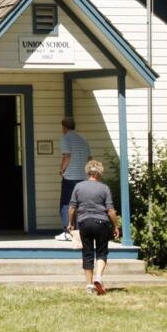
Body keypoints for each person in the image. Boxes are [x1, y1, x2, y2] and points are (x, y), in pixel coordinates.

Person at [67, 159, 121, 295]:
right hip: (101, 223)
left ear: (88, 172)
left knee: (87, 253)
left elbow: (72, 207)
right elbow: (110, 210)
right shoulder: (104, 188)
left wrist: (70, 223)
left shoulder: (78, 186)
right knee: (102, 252)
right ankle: (98, 277)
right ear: (100, 173)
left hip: (84, 223)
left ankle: (89, 285)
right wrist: (116, 226)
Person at [55, 117, 90, 241]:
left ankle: (68, 232)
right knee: (80, 205)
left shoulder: (65, 138)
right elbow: (89, 158)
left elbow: (67, 156)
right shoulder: (83, 139)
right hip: (83, 177)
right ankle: (80, 232)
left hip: (70, 177)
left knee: (65, 204)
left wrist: (62, 169)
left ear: (64, 127)